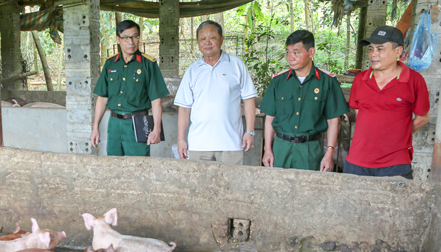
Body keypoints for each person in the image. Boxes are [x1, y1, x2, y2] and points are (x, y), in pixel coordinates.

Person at [344, 25, 430, 179]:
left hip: (395, 163)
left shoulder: (414, 80)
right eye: (371, 49)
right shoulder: (360, 80)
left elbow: (423, 118)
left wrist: (399, 136)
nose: (373, 55)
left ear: (398, 51)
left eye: (380, 49)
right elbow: (360, 115)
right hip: (357, 161)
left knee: (397, 203)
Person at [261, 30, 349, 171]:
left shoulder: (327, 82)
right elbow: (269, 118)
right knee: (278, 189)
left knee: (309, 190)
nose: (290, 57)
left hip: (310, 149)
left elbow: (333, 120)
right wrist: (267, 149)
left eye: (296, 52)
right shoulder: (278, 81)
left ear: (311, 52)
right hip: (281, 148)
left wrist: (329, 153)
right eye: (288, 52)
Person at [175, 21, 257, 164]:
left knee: (231, 185)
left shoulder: (236, 65)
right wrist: (181, 139)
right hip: (198, 144)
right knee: (199, 185)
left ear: (222, 39)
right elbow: (184, 108)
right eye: (203, 39)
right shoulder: (192, 71)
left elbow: (249, 99)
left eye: (212, 37)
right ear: (198, 42)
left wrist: (249, 131)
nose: (207, 42)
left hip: (231, 143)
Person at [90, 20, 169, 156]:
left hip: (137, 123)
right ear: (118, 39)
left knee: (139, 166)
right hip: (114, 123)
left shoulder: (148, 64)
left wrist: (156, 129)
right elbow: (102, 97)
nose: (131, 42)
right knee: (113, 165)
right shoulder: (110, 64)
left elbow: (156, 100)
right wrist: (95, 127)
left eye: (135, 37)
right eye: (126, 38)